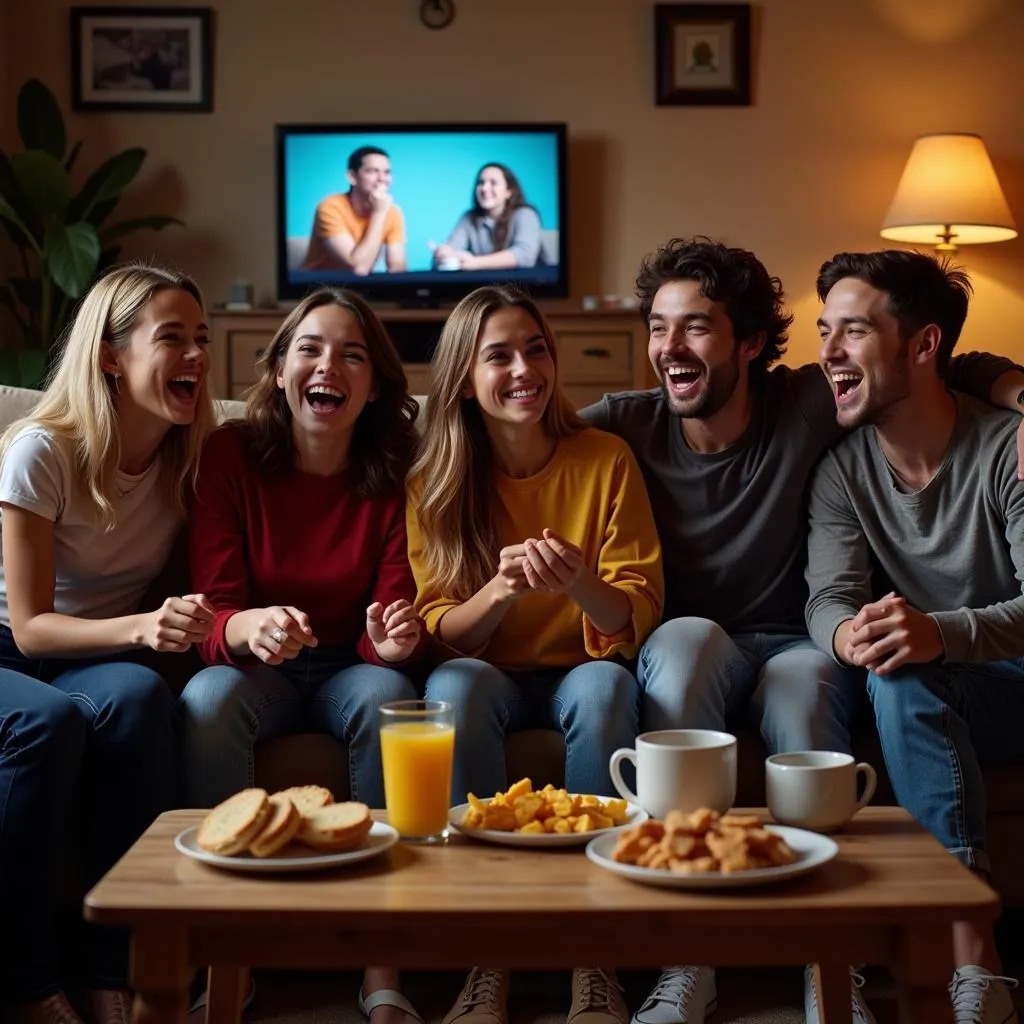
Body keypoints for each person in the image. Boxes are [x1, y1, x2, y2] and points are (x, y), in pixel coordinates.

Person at [580, 237, 1024, 1024]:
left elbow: (952, 359)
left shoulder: (825, 406)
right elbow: (519, 433)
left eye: (696, 327)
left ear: (749, 344)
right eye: (657, 326)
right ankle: (694, 952)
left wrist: (1019, 391)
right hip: (716, 642)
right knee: (707, 647)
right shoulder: (634, 426)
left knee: (827, 679)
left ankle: (841, 960)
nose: (668, 347)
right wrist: (852, 629)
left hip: (835, 650)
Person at [407, 284, 663, 1024]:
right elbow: (442, 628)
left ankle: (596, 953)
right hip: (486, 669)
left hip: (579, 670)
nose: (525, 368)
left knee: (605, 690)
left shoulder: (605, 458)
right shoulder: (436, 479)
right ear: (463, 377)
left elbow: (637, 611)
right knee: (454, 684)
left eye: (536, 348)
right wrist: (501, 590)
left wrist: (579, 579)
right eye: (499, 356)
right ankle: (488, 952)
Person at [179, 286, 425, 1024]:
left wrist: (391, 640)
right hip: (260, 667)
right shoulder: (229, 453)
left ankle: (384, 971)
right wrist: (248, 626)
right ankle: (226, 964)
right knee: (205, 702)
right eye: (310, 349)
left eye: (353, 355)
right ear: (281, 368)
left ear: (374, 384)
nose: (330, 367)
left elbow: (396, 607)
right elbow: (213, 613)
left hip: (353, 662)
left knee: (389, 704)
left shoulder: (399, 464)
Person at [806, 249, 1023, 1024]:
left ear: (925, 346)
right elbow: (828, 599)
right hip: (932, 683)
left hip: (1015, 678)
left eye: (853, 332)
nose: (827, 352)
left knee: (909, 668)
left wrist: (941, 632)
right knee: (893, 675)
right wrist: (850, 639)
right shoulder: (842, 469)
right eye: (825, 329)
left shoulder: (1011, 449)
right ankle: (973, 958)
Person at [0, 263, 217, 1024]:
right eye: (171, 339)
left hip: (97, 657)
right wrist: (140, 626)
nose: (195, 356)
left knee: (138, 698)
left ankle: (113, 972)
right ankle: (26, 981)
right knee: (45, 721)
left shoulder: (191, 460)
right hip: (8, 647)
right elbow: (29, 625)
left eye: (201, 339)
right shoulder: (42, 450)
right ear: (110, 355)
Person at [304, 146, 407, 275]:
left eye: (387, 172)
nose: (382, 178)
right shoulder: (330, 207)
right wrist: (379, 213)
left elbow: (397, 269)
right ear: (352, 177)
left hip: (361, 290)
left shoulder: (393, 212)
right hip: (321, 290)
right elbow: (358, 269)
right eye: (372, 171)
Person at [433, 163, 544, 271]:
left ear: (508, 192)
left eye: (493, 183)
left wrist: (476, 263)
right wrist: (443, 255)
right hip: (484, 286)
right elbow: (453, 248)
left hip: (524, 286)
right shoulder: (469, 218)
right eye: (481, 183)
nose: (484, 188)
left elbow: (524, 255)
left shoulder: (526, 215)